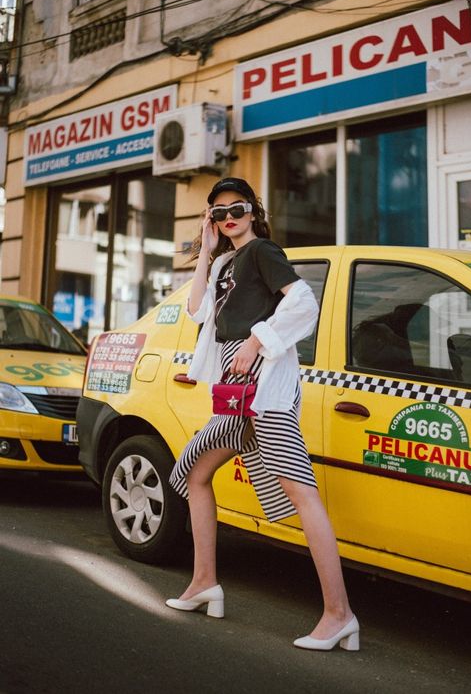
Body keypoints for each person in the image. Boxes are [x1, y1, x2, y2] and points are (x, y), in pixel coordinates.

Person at [166, 177, 359, 651]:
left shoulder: (263, 252)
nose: (228, 217)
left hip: (264, 385)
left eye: (237, 208)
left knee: (301, 491)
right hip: (235, 389)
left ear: (254, 211)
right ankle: (204, 582)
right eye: (218, 212)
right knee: (192, 469)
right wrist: (207, 254)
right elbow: (195, 312)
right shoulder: (227, 261)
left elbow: (303, 301)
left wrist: (257, 340)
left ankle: (340, 615)